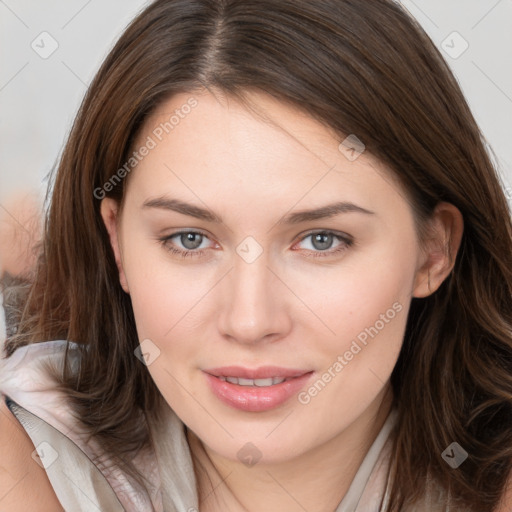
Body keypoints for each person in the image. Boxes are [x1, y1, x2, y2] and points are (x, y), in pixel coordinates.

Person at [1, 0, 511, 510]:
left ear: (433, 251)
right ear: (118, 244)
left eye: (321, 240)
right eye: (189, 239)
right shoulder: (25, 451)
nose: (249, 321)